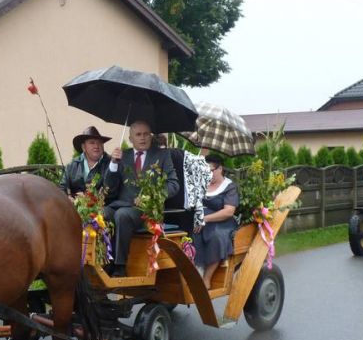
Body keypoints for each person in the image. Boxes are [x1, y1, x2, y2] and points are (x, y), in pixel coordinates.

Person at [103, 120, 180, 277]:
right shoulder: (122, 156)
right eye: (138, 134)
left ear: (151, 136)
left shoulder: (163, 155)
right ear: (131, 138)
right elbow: (109, 189)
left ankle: (119, 266)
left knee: (122, 215)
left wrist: (151, 196)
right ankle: (104, 260)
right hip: (122, 205)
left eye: (146, 134)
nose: (143, 138)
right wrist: (113, 164)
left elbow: (174, 185)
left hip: (147, 212)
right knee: (102, 214)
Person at [192, 154, 239, 288]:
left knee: (216, 237)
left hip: (221, 222)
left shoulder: (229, 186)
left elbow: (229, 211)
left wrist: (204, 219)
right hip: (198, 220)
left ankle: (206, 278)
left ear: (220, 169)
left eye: (210, 171)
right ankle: (193, 272)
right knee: (186, 233)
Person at [59, 126, 114, 198]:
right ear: (83, 147)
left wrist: (89, 199)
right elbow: (62, 189)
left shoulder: (111, 164)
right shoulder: (72, 165)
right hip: (72, 207)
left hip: (102, 207)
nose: (96, 146)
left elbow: (111, 190)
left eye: (99, 142)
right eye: (92, 143)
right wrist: (68, 198)